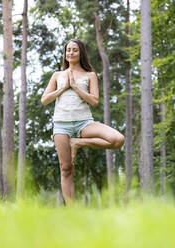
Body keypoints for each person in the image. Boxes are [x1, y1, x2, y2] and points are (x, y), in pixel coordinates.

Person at [41, 38, 124, 204]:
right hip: (61, 125)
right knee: (66, 169)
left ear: (81, 53)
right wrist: (63, 88)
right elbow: (44, 100)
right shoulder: (57, 75)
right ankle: (71, 211)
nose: (71, 53)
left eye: (75, 50)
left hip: (84, 123)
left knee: (117, 139)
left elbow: (94, 101)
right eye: (68, 50)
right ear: (65, 54)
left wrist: (76, 87)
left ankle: (78, 143)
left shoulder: (90, 75)